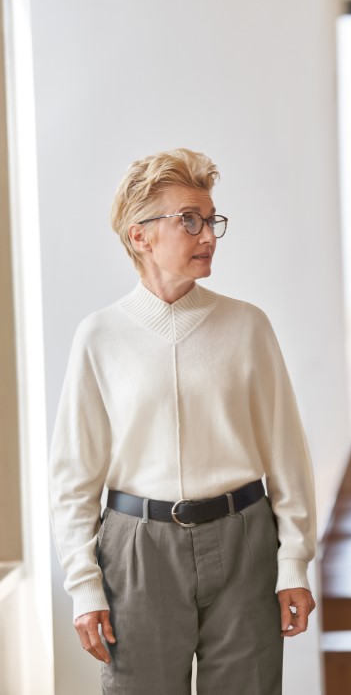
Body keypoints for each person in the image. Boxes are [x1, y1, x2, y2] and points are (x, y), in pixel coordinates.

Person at [49, 148, 316, 694]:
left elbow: (288, 456)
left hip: (245, 544)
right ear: (139, 235)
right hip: (137, 551)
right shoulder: (99, 336)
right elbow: (74, 477)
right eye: (189, 221)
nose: (208, 235)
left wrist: (294, 563)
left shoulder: (247, 326)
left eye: (211, 220)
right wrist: (84, 587)